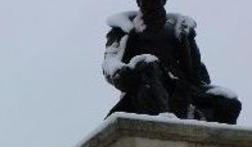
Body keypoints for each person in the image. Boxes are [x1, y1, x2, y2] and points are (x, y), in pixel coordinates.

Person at [103, 0, 242, 124]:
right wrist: (124, 72)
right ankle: (164, 122)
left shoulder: (178, 27)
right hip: (146, 87)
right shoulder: (124, 28)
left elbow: (197, 70)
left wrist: (202, 86)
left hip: (181, 89)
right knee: (148, 64)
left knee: (228, 103)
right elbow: (109, 65)